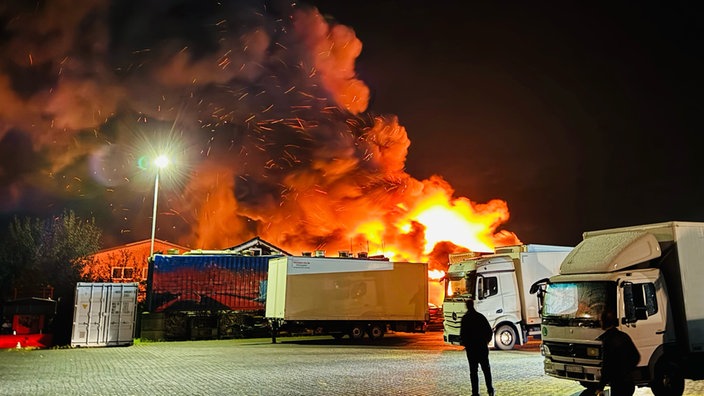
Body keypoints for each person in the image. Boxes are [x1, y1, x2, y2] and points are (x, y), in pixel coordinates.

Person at [596, 310, 640, 396]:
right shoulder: (624, 336)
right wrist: (627, 370)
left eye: (600, 321)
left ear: (604, 322)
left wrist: (600, 387)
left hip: (618, 384)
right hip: (629, 382)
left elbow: (607, 366)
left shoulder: (607, 341)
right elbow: (636, 356)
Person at [460, 299, 494, 396]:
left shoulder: (465, 319)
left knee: (473, 371)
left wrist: (466, 344)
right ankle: (490, 389)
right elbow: (489, 331)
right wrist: (486, 341)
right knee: (486, 369)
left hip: (471, 349)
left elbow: (462, 335)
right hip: (482, 347)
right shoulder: (480, 317)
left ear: (467, 306)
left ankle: (475, 393)